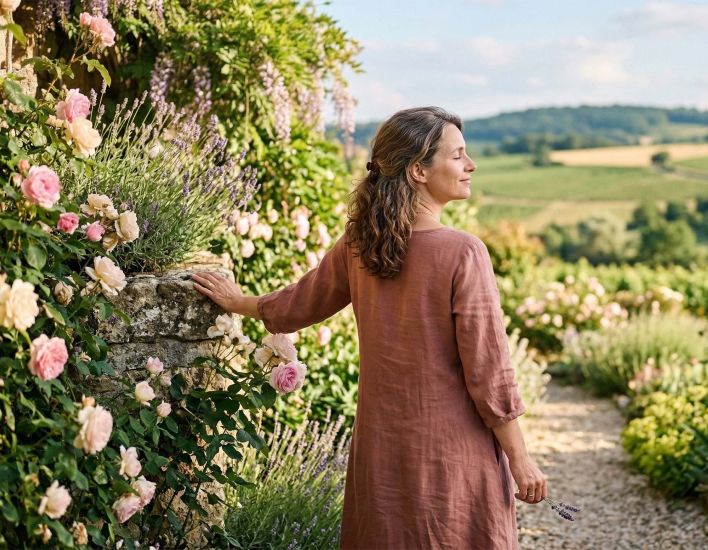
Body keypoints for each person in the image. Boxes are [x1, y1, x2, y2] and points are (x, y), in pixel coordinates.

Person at [191, 106, 546, 549]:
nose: (470, 165)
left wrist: (237, 301)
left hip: (382, 451)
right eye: (458, 155)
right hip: (451, 455)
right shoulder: (464, 253)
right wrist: (520, 459)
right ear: (418, 170)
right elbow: (489, 371)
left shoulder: (361, 245)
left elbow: (297, 306)